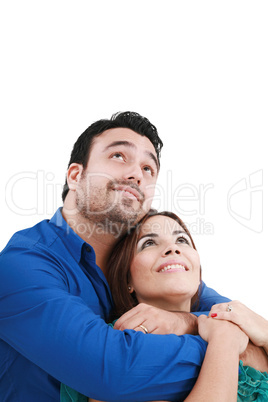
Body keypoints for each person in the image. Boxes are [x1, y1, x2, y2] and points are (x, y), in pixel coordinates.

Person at [1, 111, 240, 401]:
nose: (136, 174)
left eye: (148, 169)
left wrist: (185, 322)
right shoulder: (22, 265)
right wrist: (231, 348)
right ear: (76, 176)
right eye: (118, 156)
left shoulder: (145, 261)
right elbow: (114, 372)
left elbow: (232, 315)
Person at [61, 211, 268, 401]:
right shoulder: (115, 346)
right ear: (127, 280)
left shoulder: (238, 326)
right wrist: (224, 341)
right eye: (149, 243)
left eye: (182, 240)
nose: (173, 248)